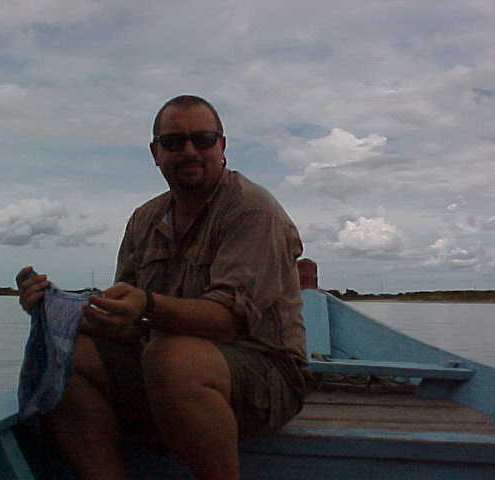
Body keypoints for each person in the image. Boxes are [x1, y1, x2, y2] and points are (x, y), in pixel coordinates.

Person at [16, 95, 307, 480]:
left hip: (266, 376)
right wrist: (55, 308)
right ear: (156, 152)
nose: (189, 151)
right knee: (68, 355)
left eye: (202, 140)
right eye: (173, 142)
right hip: (163, 367)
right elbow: (125, 320)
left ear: (222, 146)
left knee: (172, 357)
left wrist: (146, 304)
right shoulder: (145, 219)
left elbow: (227, 322)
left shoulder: (252, 209)